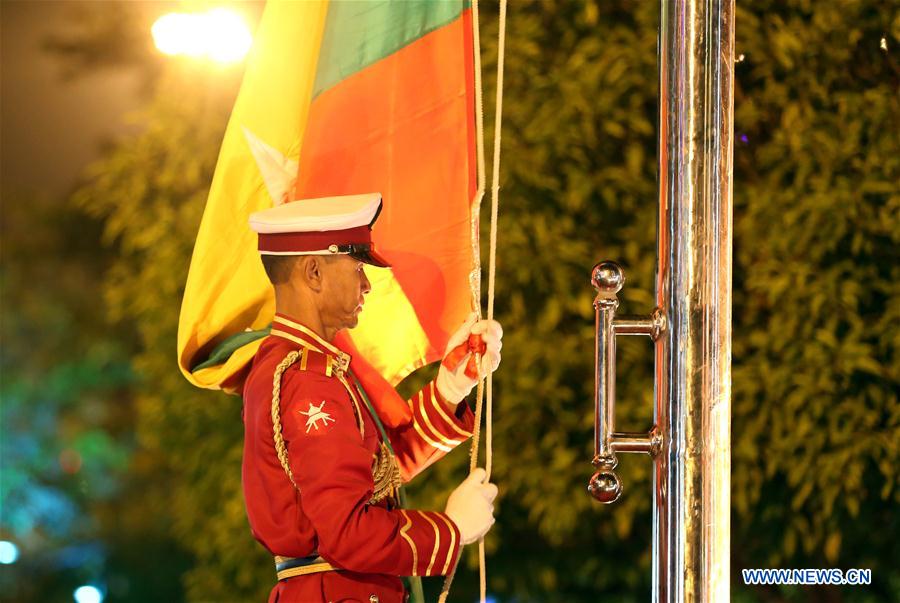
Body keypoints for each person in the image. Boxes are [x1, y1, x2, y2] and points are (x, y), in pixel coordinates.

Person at [241, 192, 503, 603]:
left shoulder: (301, 365)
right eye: (358, 267)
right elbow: (348, 532)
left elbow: (375, 472)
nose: (366, 284)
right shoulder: (308, 378)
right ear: (314, 272)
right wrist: (451, 530)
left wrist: (450, 387)